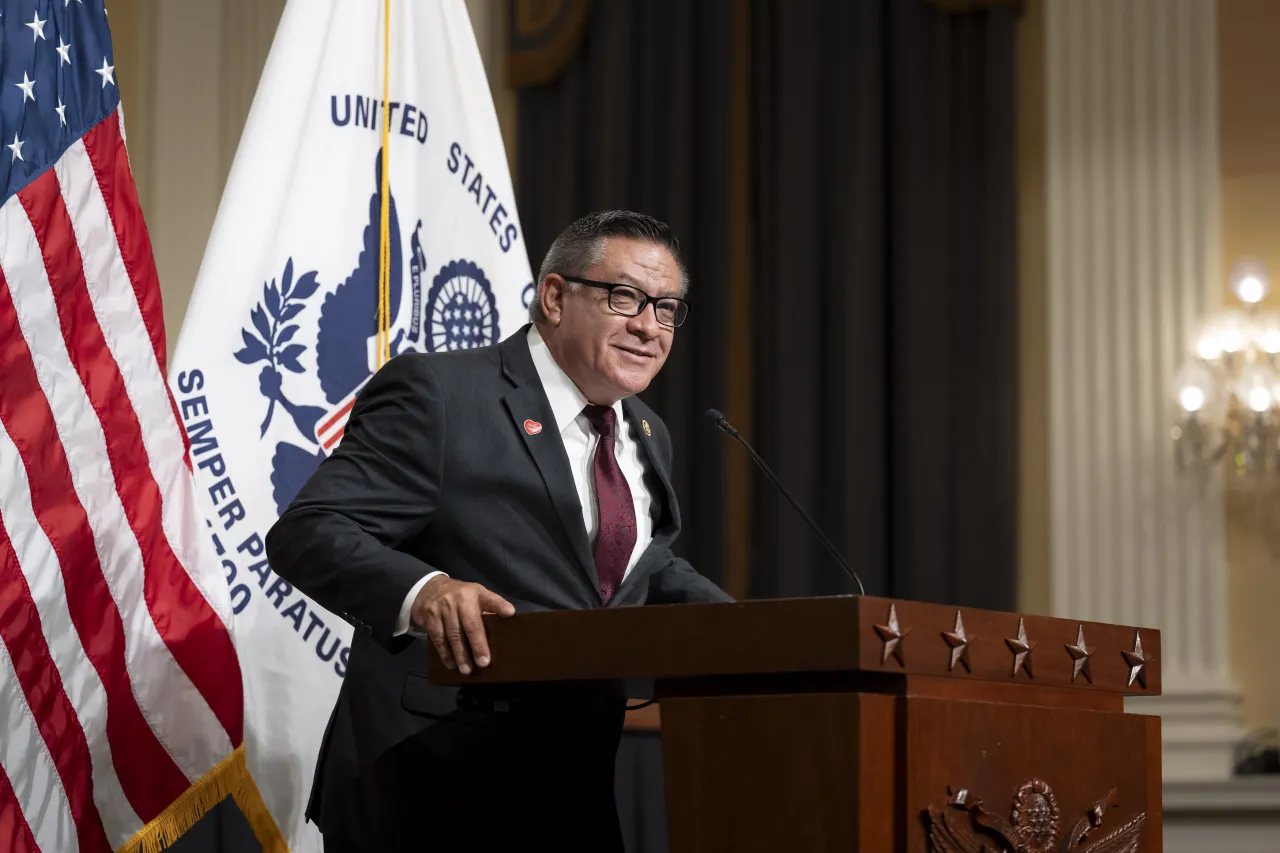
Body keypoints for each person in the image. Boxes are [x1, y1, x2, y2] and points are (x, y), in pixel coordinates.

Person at [266, 210, 732, 852]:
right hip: (429, 787)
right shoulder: (443, 394)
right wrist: (423, 590)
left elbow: (634, 569)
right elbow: (310, 530)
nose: (649, 326)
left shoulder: (647, 433)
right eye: (625, 297)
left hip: (574, 794)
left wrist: (753, 632)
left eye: (667, 308)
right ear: (556, 296)